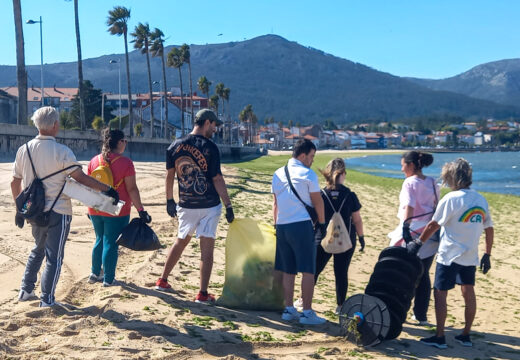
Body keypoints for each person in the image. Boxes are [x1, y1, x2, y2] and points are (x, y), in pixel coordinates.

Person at [11, 106, 119, 307]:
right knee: (54, 256)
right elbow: (82, 179)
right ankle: (47, 300)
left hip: (34, 211)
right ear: (54, 125)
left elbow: (15, 182)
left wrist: (19, 208)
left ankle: (26, 290)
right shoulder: (62, 152)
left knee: (38, 249)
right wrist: (108, 189)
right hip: (58, 211)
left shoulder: (23, 150)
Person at [411, 158, 494, 349]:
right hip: (470, 255)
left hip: (448, 255)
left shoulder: (451, 199)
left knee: (440, 293)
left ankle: (440, 337)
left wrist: (418, 242)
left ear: (453, 177)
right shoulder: (480, 199)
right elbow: (489, 228)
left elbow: (433, 224)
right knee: (468, 291)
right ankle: (465, 335)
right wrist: (487, 254)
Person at [156, 109, 234, 303]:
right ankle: (202, 293)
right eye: (214, 125)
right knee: (206, 250)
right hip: (209, 205)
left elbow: (169, 175)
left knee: (180, 241)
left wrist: (169, 200)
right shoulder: (211, 147)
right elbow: (217, 178)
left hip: (186, 204)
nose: (215, 129)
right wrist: (229, 205)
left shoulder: (174, 146)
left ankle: (162, 280)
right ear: (207, 122)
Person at [271, 139, 327, 325]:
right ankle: (307, 312)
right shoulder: (308, 174)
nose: (312, 161)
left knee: (289, 269)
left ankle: (289, 309)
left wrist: (275, 225)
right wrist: (322, 223)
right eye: (311, 157)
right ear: (302, 155)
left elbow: (275, 204)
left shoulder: (278, 173)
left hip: (282, 225)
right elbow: (318, 202)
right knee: (308, 270)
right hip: (301, 225)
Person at [87, 129, 151, 287]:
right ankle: (108, 279)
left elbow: (89, 186)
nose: (126, 143)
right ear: (118, 142)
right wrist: (141, 210)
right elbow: (132, 189)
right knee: (111, 242)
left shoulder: (94, 160)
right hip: (117, 210)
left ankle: (94, 273)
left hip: (95, 207)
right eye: (125, 141)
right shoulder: (126, 163)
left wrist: (89, 207)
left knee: (99, 239)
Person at [389, 151, 440, 325]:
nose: (402, 168)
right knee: (423, 274)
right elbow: (436, 207)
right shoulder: (433, 182)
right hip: (430, 233)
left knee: (402, 271)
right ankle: (421, 315)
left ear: (411, 165)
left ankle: (398, 307)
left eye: (403, 165)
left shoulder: (409, 183)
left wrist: (405, 228)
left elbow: (409, 207)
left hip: (413, 231)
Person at [314, 158, 365, 315]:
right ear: (342, 174)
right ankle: (341, 305)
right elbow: (357, 220)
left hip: (322, 238)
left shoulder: (321, 194)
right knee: (341, 272)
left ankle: (304, 300)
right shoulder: (350, 195)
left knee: (315, 270)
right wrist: (361, 238)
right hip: (346, 239)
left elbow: (315, 217)